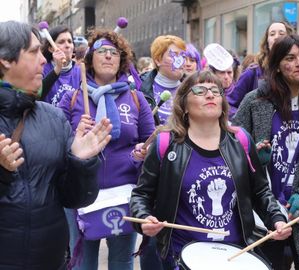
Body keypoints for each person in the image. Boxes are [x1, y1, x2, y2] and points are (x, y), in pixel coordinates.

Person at [129, 70, 292, 270]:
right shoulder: (165, 143)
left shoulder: (240, 140)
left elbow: (260, 191)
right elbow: (141, 195)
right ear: (184, 105)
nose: (210, 94)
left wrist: (277, 218)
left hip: (235, 255)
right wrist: (144, 219)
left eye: (216, 91)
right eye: (200, 90)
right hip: (182, 255)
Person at [0, 20, 112, 269]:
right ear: (5, 60)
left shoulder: (53, 117)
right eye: (33, 51)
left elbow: (74, 198)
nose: (43, 60)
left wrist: (80, 162)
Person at [233, 34, 299, 270]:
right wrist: (254, 158)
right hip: (264, 213)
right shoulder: (254, 101)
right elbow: (232, 147)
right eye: (290, 58)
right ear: (278, 66)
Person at [58, 29, 155, 270]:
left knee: (122, 262)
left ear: (122, 61)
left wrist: (142, 152)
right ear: (90, 59)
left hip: (123, 194)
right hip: (81, 194)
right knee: (82, 262)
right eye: (102, 51)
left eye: (114, 52)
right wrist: (74, 137)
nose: (109, 56)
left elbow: (150, 141)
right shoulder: (71, 98)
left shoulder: (136, 98)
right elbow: (57, 145)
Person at [229, 21, 294, 110]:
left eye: (281, 33)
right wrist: (246, 121)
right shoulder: (253, 72)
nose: (276, 37)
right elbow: (230, 104)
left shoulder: (297, 71)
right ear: (267, 42)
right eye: (272, 34)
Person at [140, 35, 186, 126]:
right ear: (158, 60)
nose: (180, 60)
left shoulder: (193, 88)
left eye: (182, 55)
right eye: (173, 55)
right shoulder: (139, 87)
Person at [41, 25, 81, 106]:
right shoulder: (42, 70)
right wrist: (58, 69)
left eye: (70, 41)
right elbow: (38, 95)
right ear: (51, 48)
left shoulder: (80, 72)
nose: (67, 45)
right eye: (61, 42)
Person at [209, 48, 240, 119]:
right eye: (222, 72)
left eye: (229, 72)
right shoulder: (207, 93)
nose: (226, 77)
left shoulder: (239, 93)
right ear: (214, 73)